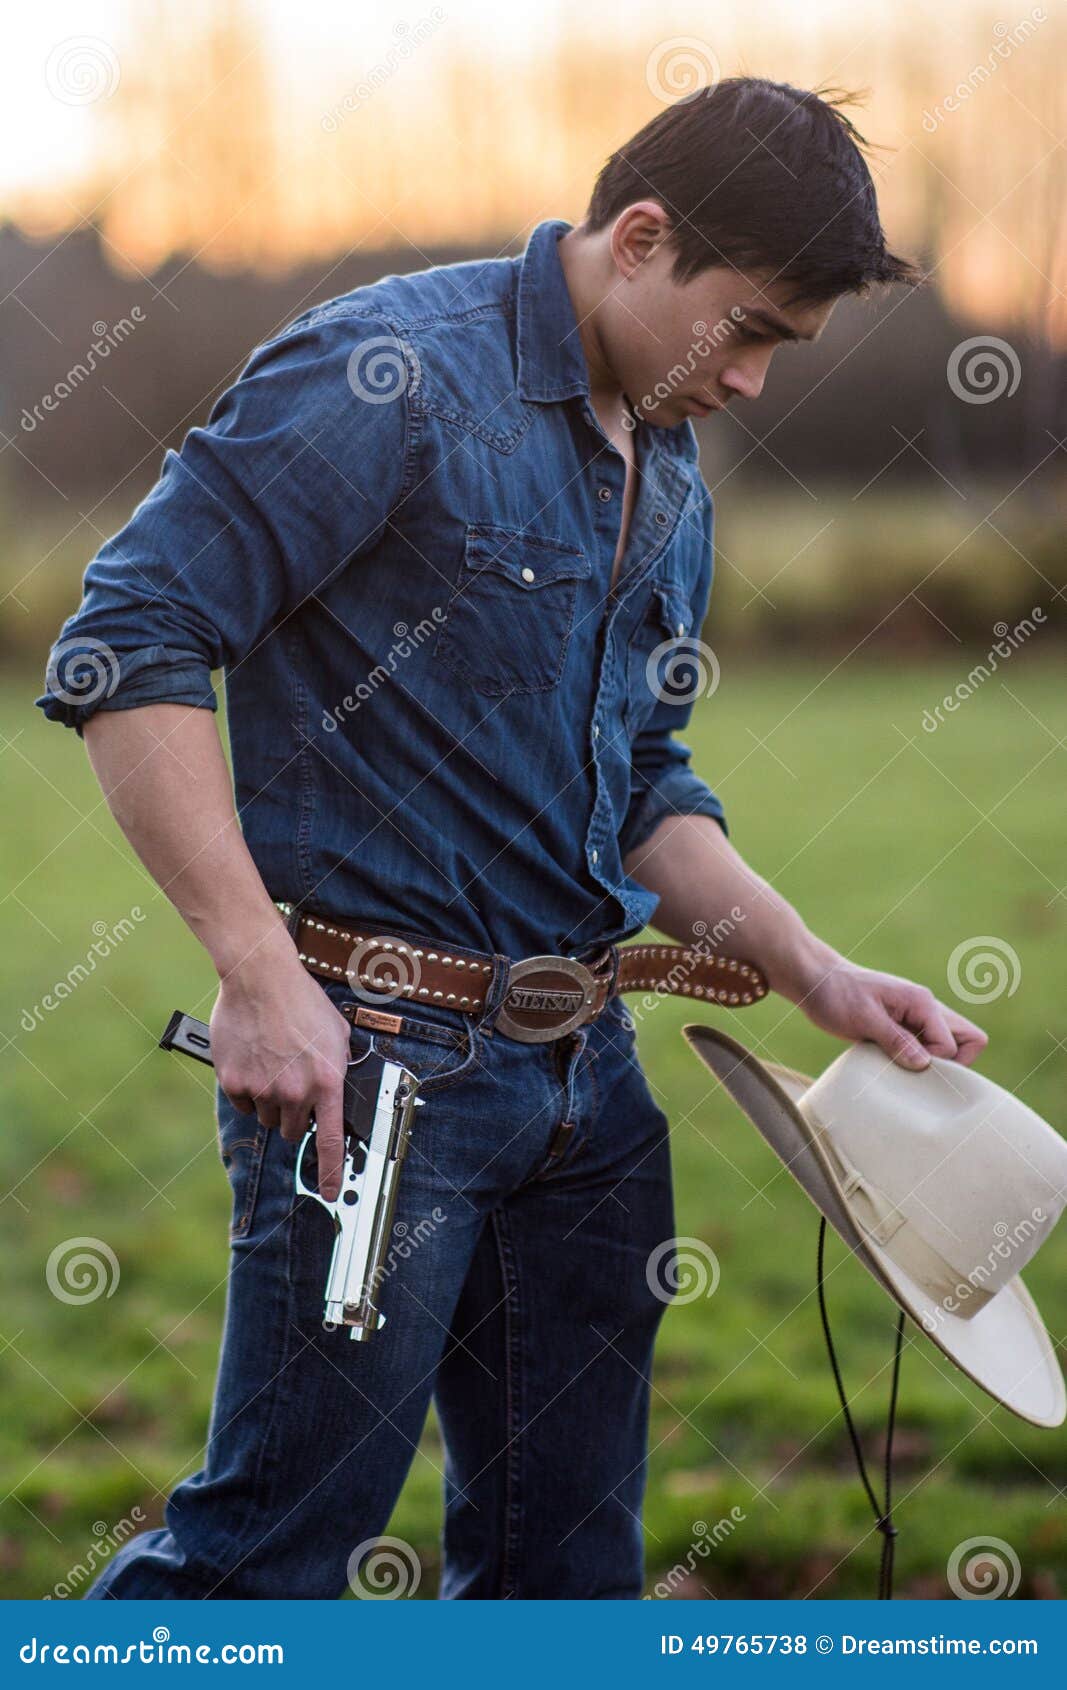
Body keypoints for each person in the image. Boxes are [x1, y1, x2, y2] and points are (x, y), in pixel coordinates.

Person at [36, 76, 986, 1599]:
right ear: (642, 235)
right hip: (376, 1083)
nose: (753, 383)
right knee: (265, 1561)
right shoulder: (387, 372)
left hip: (591, 1092)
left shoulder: (668, 461)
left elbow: (650, 783)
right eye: (747, 329)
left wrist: (821, 975)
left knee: (568, 1570)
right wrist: (258, 966)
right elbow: (129, 636)